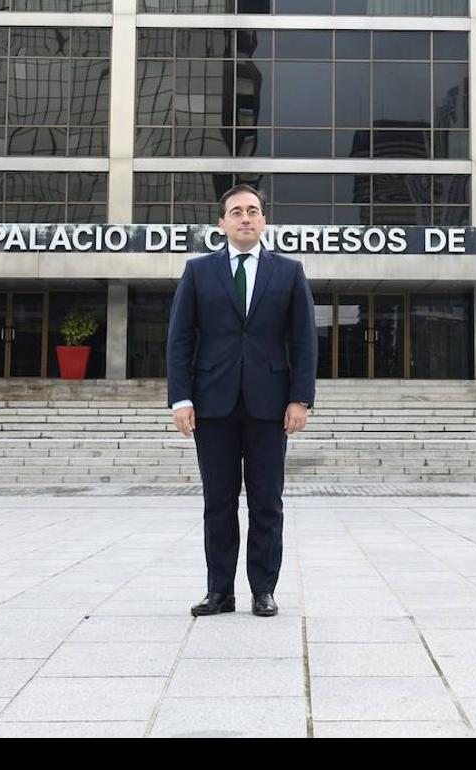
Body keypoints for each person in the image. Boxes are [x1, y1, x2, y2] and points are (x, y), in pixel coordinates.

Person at [166, 184, 318, 618]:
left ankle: (263, 590)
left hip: (270, 406)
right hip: (212, 404)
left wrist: (300, 400)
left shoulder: (289, 272)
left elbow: (304, 341)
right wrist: (181, 398)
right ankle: (220, 592)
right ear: (222, 223)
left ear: (264, 221)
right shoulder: (198, 271)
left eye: (253, 211)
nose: (246, 218)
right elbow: (180, 340)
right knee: (218, 501)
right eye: (237, 212)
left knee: (267, 502)